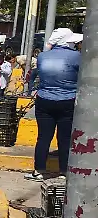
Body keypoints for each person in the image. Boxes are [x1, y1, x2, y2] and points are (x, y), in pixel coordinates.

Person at [25, 28, 83, 181]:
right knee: (64, 139)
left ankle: (39, 171)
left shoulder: (43, 57)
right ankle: (64, 172)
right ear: (67, 42)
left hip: (44, 101)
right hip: (68, 101)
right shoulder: (77, 57)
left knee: (43, 137)